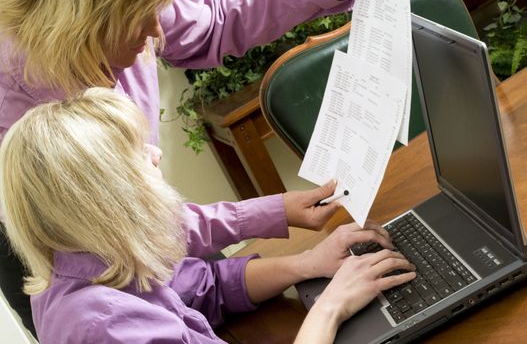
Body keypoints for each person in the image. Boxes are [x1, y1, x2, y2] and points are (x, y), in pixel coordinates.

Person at [0, 0, 360, 336]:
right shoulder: (102, 313)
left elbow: (197, 286)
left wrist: (304, 260)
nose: (159, 32)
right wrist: (329, 308)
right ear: (86, 22)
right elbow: (134, 232)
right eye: (141, 17)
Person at [0, 88, 415, 343]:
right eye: (139, 154)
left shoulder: (85, 259)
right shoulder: (108, 326)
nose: (156, 153)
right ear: (108, 197)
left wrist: (308, 264)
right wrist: (332, 306)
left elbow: (206, 287)